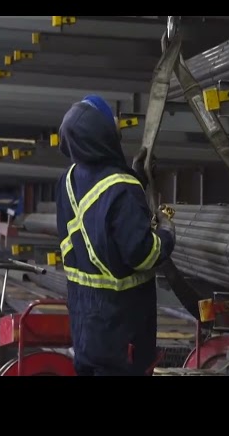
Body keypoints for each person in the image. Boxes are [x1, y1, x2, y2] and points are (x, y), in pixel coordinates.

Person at [55, 94, 176, 376]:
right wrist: (167, 233)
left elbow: (99, 216)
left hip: (87, 320)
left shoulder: (68, 180)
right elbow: (143, 254)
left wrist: (136, 178)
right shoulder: (122, 189)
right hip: (122, 326)